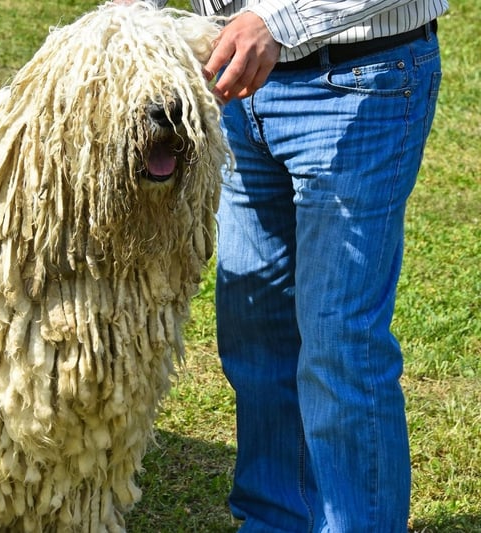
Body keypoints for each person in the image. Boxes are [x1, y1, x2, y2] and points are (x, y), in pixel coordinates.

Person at [118, 0, 447, 530]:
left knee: (339, 343)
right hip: (235, 86)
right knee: (256, 336)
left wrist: (279, 21)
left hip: (359, 79)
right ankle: (275, 521)